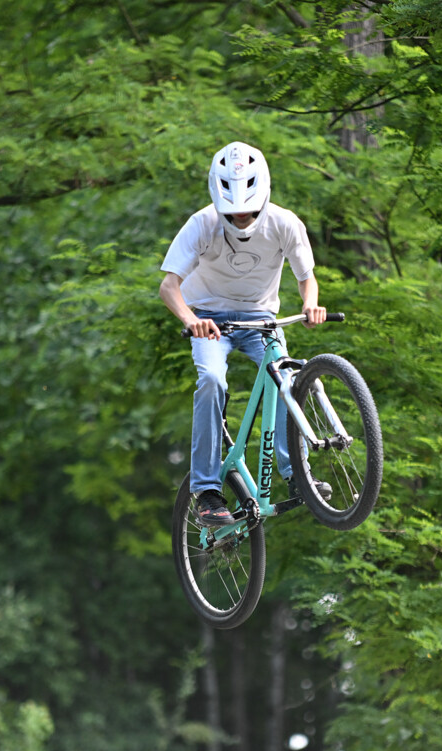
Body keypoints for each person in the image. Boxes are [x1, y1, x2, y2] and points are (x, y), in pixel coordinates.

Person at [160, 140, 329, 527]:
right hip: (209, 318)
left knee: (286, 379)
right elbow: (169, 287)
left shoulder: (285, 223)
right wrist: (191, 320)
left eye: (249, 211)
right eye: (232, 213)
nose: (241, 218)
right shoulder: (202, 223)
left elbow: (307, 278)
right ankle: (206, 490)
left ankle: (297, 475)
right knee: (212, 381)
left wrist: (309, 305)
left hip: (260, 319)